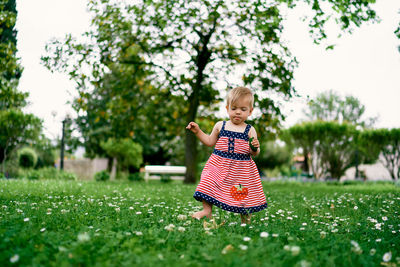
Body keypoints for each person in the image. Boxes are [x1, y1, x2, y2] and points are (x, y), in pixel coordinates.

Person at [186, 86, 267, 224]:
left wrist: (254, 147)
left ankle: (245, 220)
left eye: (243, 109)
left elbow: (255, 153)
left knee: (242, 194)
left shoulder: (249, 129)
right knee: (208, 181)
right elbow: (210, 141)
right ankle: (207, 211)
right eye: (234, 108)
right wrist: (198, 131)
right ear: (227, 108)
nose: (237, 112)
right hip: (218, 164)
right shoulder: (220, 125)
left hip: (241, 169)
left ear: (250, 111)